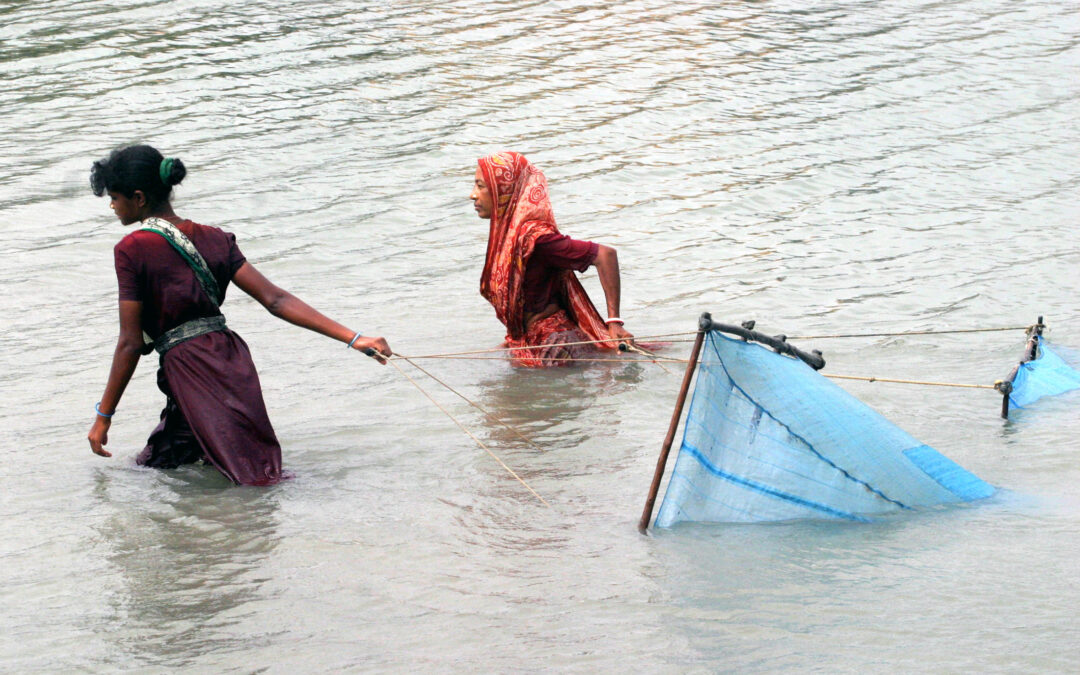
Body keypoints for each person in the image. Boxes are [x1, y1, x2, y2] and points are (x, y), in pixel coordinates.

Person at [87, 144, 391, 485]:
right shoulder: (216, 238)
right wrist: (353, 337)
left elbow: (130, 343)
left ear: (139, 197)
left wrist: (104, 416)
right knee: (164, 464)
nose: (112, 206)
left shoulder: (132, 249)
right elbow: (275, 299)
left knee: (253, 478)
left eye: (114, 197)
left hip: (192, 369)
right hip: (231, 360)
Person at [470, 151, 634, 367]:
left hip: (556, 345)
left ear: (504, 191)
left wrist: (614, 322)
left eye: (481, 186)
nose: (473, 195)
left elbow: (606, 255)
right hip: (529, 340)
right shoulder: (508, 236)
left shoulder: (536, 240)